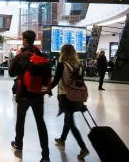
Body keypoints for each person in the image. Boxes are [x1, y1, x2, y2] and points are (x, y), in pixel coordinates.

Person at [9, 30, 50, 162]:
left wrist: (17, 57)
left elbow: (11, 72)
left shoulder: (22, 55)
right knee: (40, 123)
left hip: (24, 94)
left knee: (20, 120)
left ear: (25, 40)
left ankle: (19, 144)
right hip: (38, 95)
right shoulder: (40, 54)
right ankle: (45, 155)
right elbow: (47, 75)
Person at [49, 44, 89, 160]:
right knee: (68, 118)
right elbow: (80, 82)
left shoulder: (62, 65)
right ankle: (62, 139)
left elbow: (56, 80)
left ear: (63, 53)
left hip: (65, 96)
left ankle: (83, 147)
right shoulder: (79, 65)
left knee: (70, 122)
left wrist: (47, 89)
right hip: (77, 96)